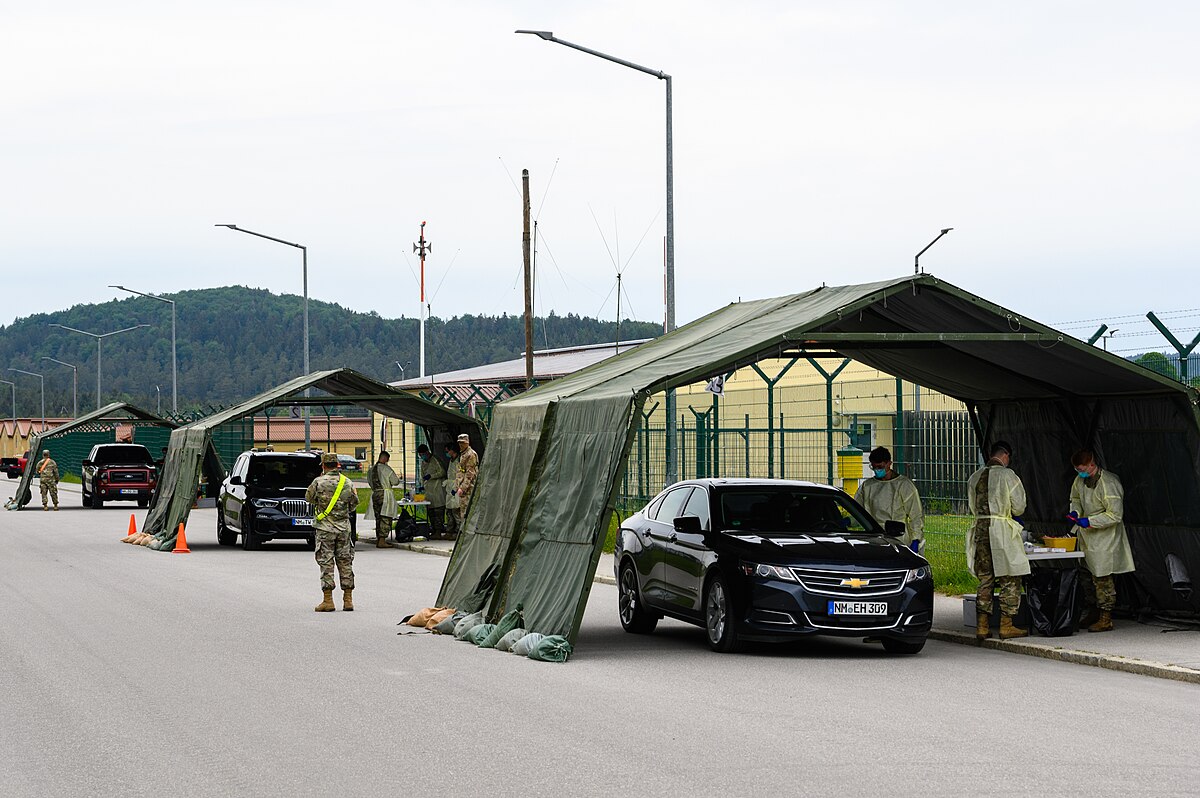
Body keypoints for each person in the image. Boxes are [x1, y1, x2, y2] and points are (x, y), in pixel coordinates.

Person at [966, 440, 1029, 640]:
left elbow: (971, 505)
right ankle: (1006, 625)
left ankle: (982, 626)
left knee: (985, 579)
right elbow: (1019, 506)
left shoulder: (975, 477)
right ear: (1005, 456)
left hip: (981, 529)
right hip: (1001, 530)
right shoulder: (1008, 476)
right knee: (1010, 576)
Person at [1067, 449, 1135, 633]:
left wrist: (1090, 521)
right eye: (1076, 469)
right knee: (1086, 575)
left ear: (1091, 464)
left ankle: (1106, 617)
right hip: (1087, 535)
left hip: (1105, 537)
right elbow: (1075, 498)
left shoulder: (1109, 483)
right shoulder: (1080, 480)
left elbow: (1115, 514)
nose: (1079, 472)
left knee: (1102, 576)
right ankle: (1093, 611)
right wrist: (1076, 512)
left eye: (1081, 468)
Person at [305, 452, 359, 612]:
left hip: (325, 529)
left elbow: (309, 498)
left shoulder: (318, 482)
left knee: (326, 562)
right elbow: (354, 504)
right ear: (338, 465)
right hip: (343, 529)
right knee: (345, 562)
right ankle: (348, 600)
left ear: (323, 465)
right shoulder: (348, 483)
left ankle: (328, 601)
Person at [856, 446, 924, 553]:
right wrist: (848, 520)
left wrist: (916, 539)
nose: (877, 470)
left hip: (899, 539)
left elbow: (916, 515)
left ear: (889, 464)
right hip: (874, 537)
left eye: (880, 467)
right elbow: (857, 511)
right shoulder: (867, 486)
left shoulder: (904, 485)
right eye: (874, 467)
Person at [366, 450, 398, 548]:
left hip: (375, 493)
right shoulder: (386, 469)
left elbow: (370, 482)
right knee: (386, 516)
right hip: (385, 494)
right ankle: (382, 540)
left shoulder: (371, 470)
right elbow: (395, 481)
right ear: (384, 458)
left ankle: (378, 538)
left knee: (378, 517)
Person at [417, 444, 448, 539]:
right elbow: (422, 476)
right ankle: (434, 530)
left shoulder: (435, 461)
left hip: (437, 490)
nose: (422, 456)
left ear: (427, 452)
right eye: (420, 455)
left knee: (438, 511)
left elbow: (442, 472)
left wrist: (431, 476)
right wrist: (422, 486)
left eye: (423, 454)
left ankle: (438, 531)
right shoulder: (423, 463)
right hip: (429, 491)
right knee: (431, 512)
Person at [452, 433, 479, 529]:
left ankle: (467, 531)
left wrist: (462, 488)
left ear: (467, 443)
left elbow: (469, 474)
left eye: (463, 443)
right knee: (462, 511)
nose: (461, 445)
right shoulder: (463, 454)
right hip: (462, 488)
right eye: (459, 443)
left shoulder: (470, 455)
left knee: (467, 511)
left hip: (468, 489)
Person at [443, 442, 460, 538]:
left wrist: (456, 487)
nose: (446, 453)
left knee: (456, 511)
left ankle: (458, 532)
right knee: (449, 511)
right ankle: (449, 531)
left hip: (455, 487)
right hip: (450, 487)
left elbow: (460, 475)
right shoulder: (451, 460)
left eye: (447, 451)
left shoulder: (459, 460)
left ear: (452, 450)